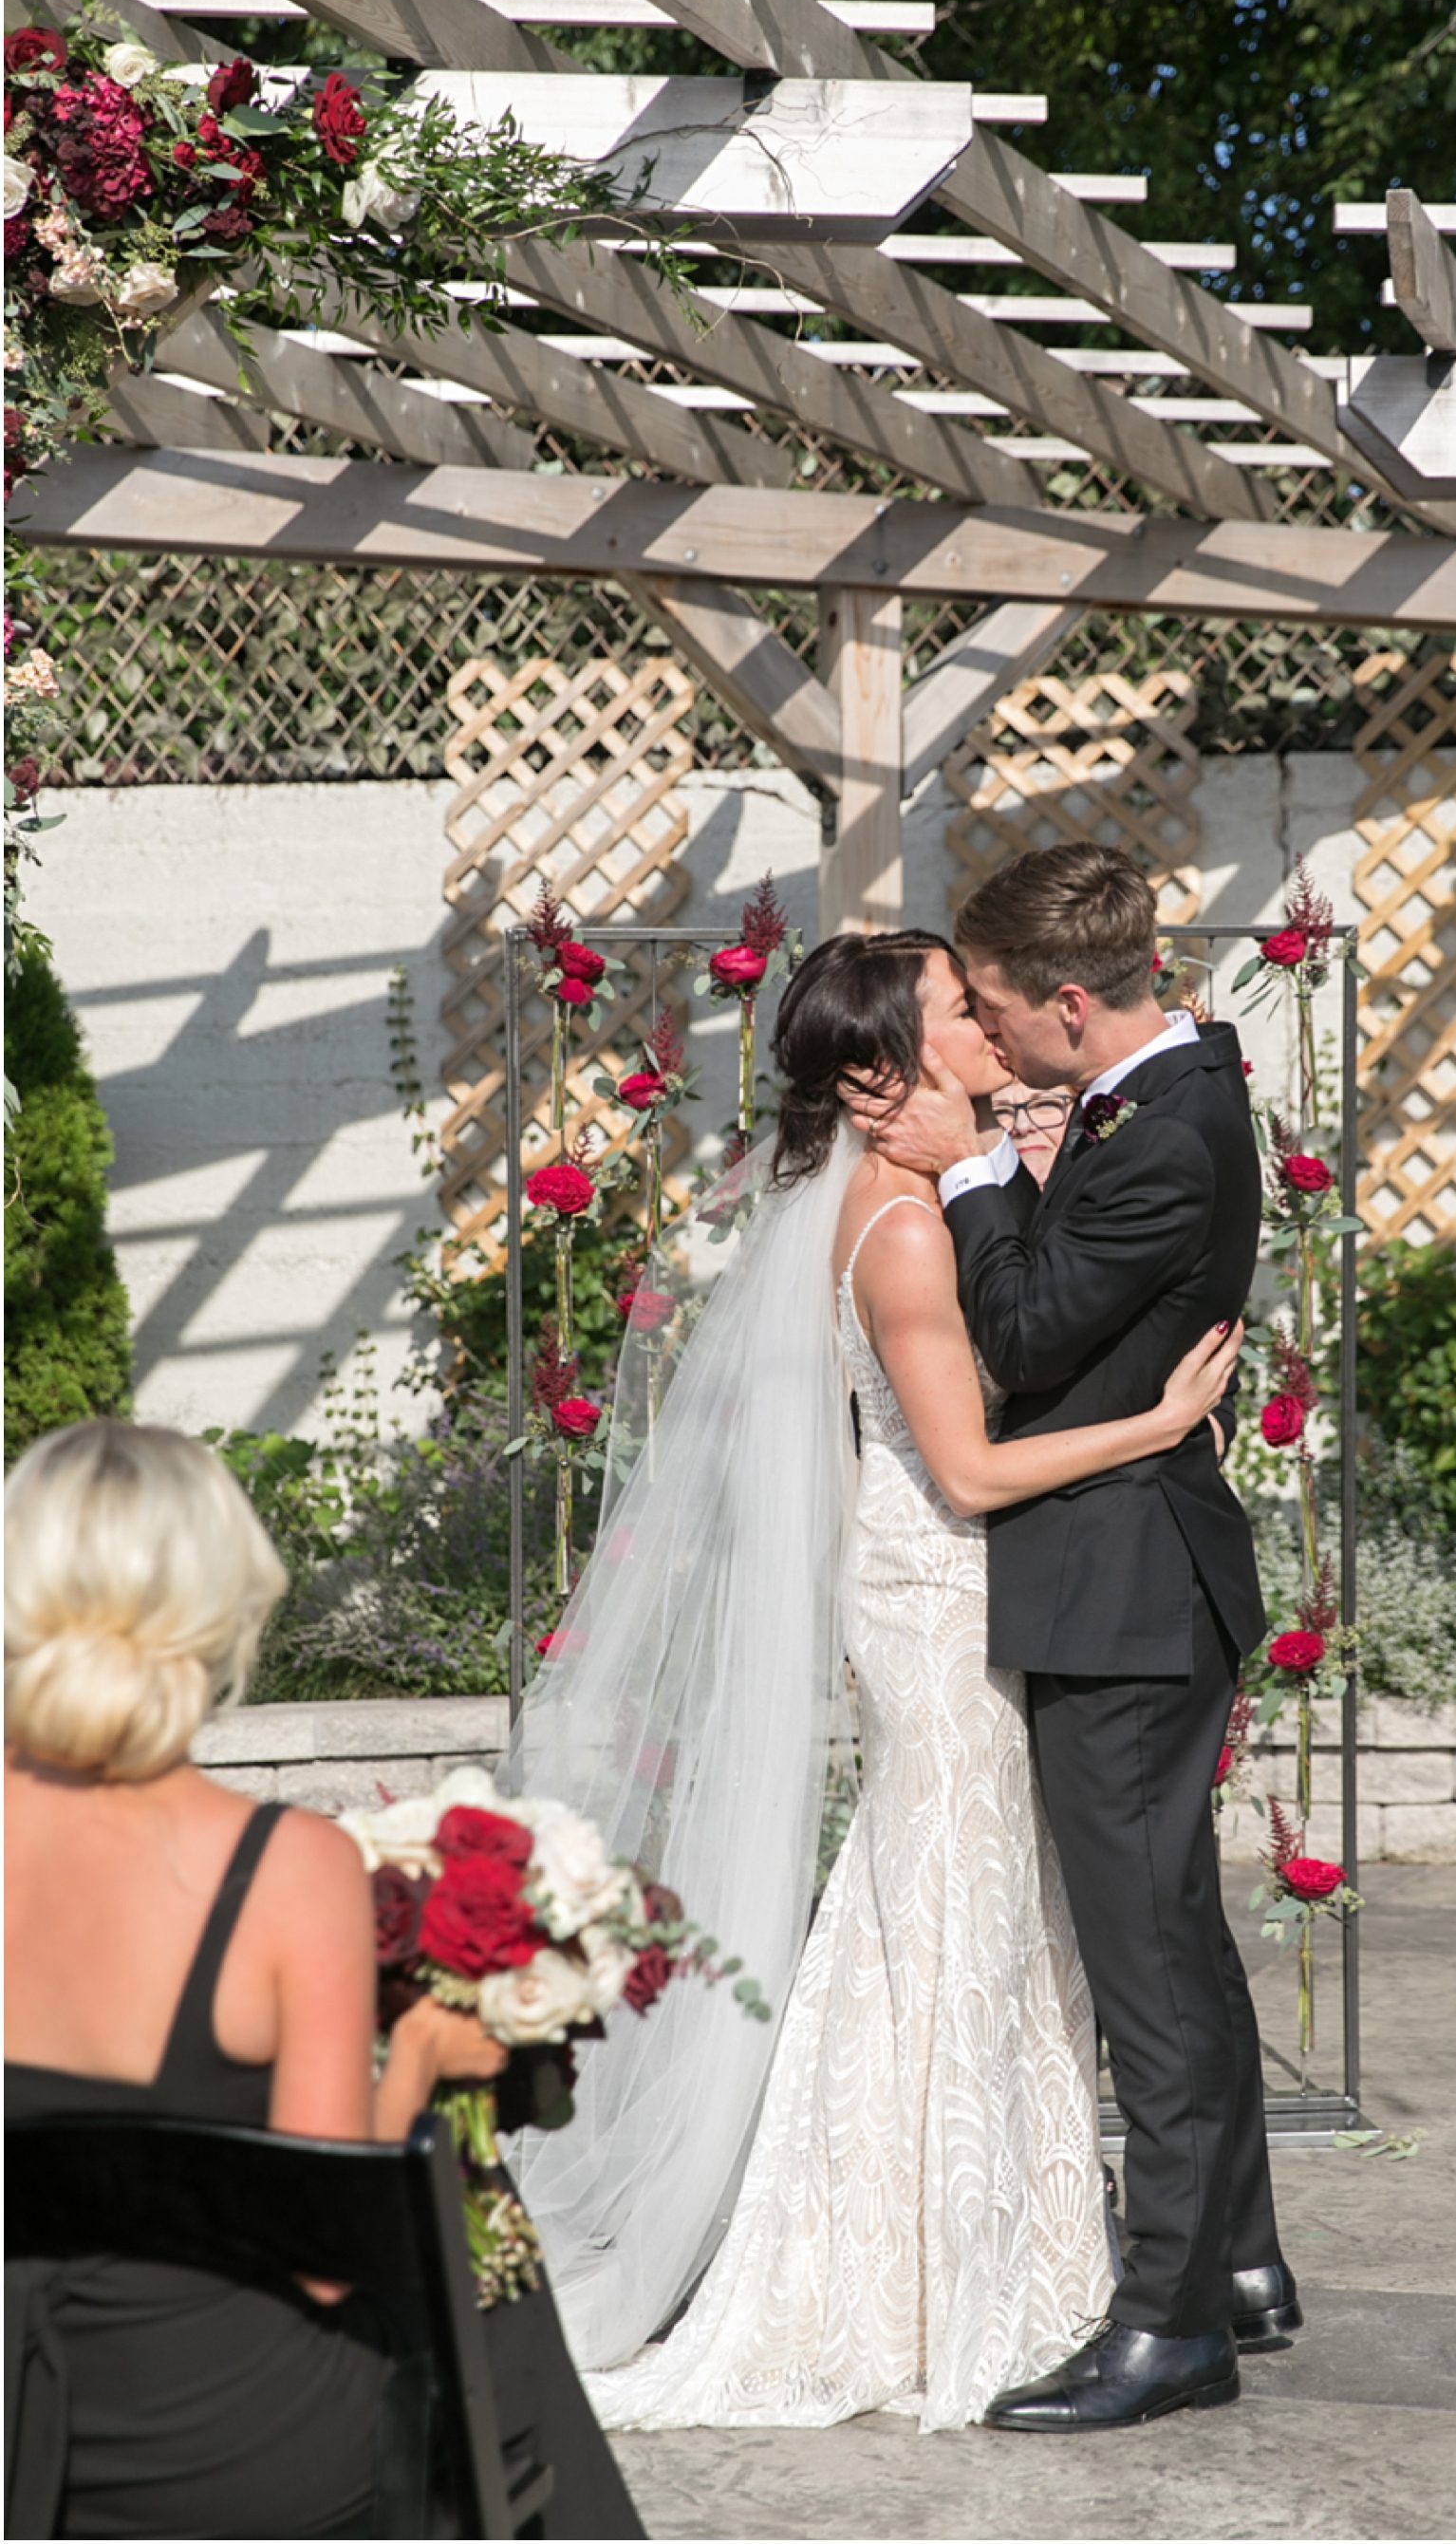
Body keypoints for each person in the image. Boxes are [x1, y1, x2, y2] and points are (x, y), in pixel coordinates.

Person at [514, 931, 1241, 2433]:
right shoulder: (901, 1228)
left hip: (948, 1591)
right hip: (943, 1597)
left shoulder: (919, 1193)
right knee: (967, 1919)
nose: (986, 1022)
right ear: (880, 1070)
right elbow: (967, 1470)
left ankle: (981, 2250)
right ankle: (940, 2276)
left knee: (954, 1917)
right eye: (955, 1011)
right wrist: (1156, 1425)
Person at [4, 1419, 642, 2538]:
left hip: (30, 2427)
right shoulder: (281, 1869)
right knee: (480, 2256)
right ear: (215, 1609)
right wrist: (431, 2063)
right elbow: (330, 2260)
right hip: (237, 2448)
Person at [861, 843, 1299, 2433]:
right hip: (1133, 1576)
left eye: (986, 1005)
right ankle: (1240, 2260)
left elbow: (1030, 1331)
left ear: (1061, 1004)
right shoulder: (1160, 1099)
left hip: (1119, 1595)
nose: (977, 1032)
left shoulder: (1166, 1134)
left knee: (1147, 1965)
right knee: (1173, 1929)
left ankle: (1173, 2317)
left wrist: (971, 1166)